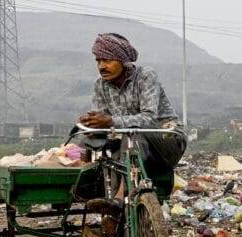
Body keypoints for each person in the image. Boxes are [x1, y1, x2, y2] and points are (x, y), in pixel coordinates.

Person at [78, 33, 187, 197]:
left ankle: (121, 197)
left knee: (134, 136)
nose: (101, 66)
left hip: (165, 140)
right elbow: (106, 125)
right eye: (98, 61)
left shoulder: (145, 76)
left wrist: (110, 121)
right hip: (127, 142)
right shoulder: (100, 85)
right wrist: (92, 126)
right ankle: (113, 210)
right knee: (109, 151)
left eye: (107, 60)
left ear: (122, 60)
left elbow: (149, 119)